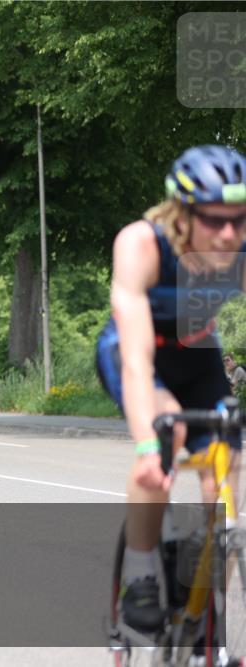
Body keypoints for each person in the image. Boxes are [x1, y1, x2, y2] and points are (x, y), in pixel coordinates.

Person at [94, 145, 246, 633]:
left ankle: (213, 604)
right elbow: (138, 360)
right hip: (136, 352)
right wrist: (146, 444)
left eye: (239, 220)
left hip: (197, 349)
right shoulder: (141, 244)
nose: (228, 233)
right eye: (214, 220)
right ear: (183, 213)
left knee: (226, 463)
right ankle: (139, 572)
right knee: (167, 438)